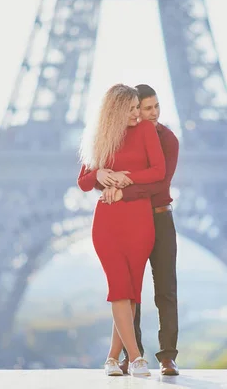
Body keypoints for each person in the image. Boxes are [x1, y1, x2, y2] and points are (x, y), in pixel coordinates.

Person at [77, 83, 165, 377]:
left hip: (139, 221)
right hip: (108, 222)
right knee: (119, 288)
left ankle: (112, 359)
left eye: (138, 107)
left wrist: (123, 181)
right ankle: (137, 357)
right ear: (115, 110)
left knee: (131, 292)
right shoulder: (100, 137)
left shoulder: (145, 131)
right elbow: (84, 181)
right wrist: (100, 174)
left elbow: (158, 171)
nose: (137, 114)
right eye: (130, 109)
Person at [100, 84, 180, 376]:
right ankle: (131, 355)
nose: (152, 113)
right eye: (145, 108)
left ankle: (168, 356)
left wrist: (123, 190)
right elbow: (98, 169)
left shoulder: (167, 139)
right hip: (130, 220)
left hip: (158, 217)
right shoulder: (121, 136)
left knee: (166, 290)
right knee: (129, 290)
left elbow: (160, 182)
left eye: (155, 107)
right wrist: (102, 177)